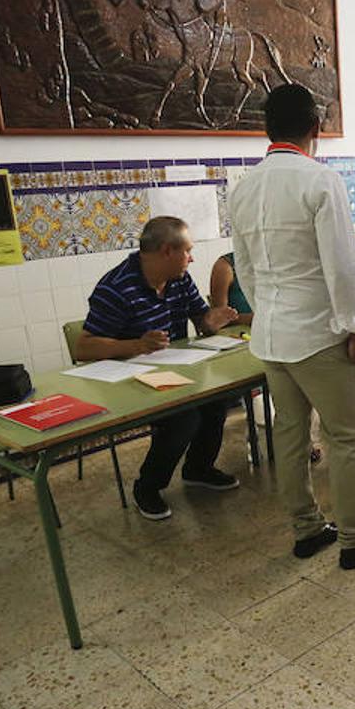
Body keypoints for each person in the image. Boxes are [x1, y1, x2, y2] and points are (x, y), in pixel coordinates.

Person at [227, 83, 355, 568]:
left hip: (271, 335)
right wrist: (354, 327)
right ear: (315, 130)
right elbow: (341, 265)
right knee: (346, 436)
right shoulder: (318, 180)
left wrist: (268, 312)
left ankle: (306, 531)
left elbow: (243, 267)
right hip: (318, 335)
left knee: (289, 434)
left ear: (267, 129)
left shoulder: (242, 188)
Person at [75, 216, 240, 520]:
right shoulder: (116, 287)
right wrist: (135, 345)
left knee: (217, 397)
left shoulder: (179, 278)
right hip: (125, 379)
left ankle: (198, 469)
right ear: (167, 251)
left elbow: (201, 321)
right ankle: (148, 486)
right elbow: (83, 347)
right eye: (187, 251)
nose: (192, 258)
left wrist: (212, 321)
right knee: (184, 417)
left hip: (174, 370)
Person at [212, 252, 324, 464]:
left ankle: (301, 441)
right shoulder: (225, 267)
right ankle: (279, 441)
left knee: (303, 380)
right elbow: (220, 318)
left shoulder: (281, 260)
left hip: (281, 335)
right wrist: (260, 317)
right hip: (242, 341)